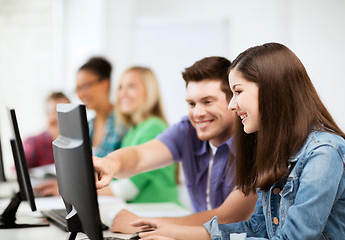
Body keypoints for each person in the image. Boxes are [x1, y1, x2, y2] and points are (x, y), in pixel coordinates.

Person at [130, 43, 345, 240]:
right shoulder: (275, 151)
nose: (232, 105)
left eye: (238, 92)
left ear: (271, 91)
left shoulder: (324, 153)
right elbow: (257, 228)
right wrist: (175, 233)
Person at [93, 57, 258, 234]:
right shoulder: (187, 130)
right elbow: (139, 157)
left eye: (208, 102)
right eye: (191, 104)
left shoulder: (254, 144)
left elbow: (228, 218)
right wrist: (111, 163)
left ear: (233, 101)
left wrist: (149, 224)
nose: (198, 113)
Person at [35, 56, 126, 197]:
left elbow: (126, 181)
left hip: (111, 200)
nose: (80, 94)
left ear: (105, 84)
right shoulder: (88, 126)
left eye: (85, 86)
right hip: (91, 200)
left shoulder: (123, 124)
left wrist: (76, 190)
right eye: (77, 89)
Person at [97, 66, 178, 204]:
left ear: (149, 91)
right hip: (142, 213)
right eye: (120, 87)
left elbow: (128, 188)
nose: (122, 94)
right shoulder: (133, 130)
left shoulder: (154, 127)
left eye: (131, 87)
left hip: (162, 213)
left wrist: (83, 192)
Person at [24, 91, 70, 168]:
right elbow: (17, 171)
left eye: (64, 112)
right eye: (53, 112)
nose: (58, 117)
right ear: (47, 114)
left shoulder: (77, 142)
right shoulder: (33, 142)